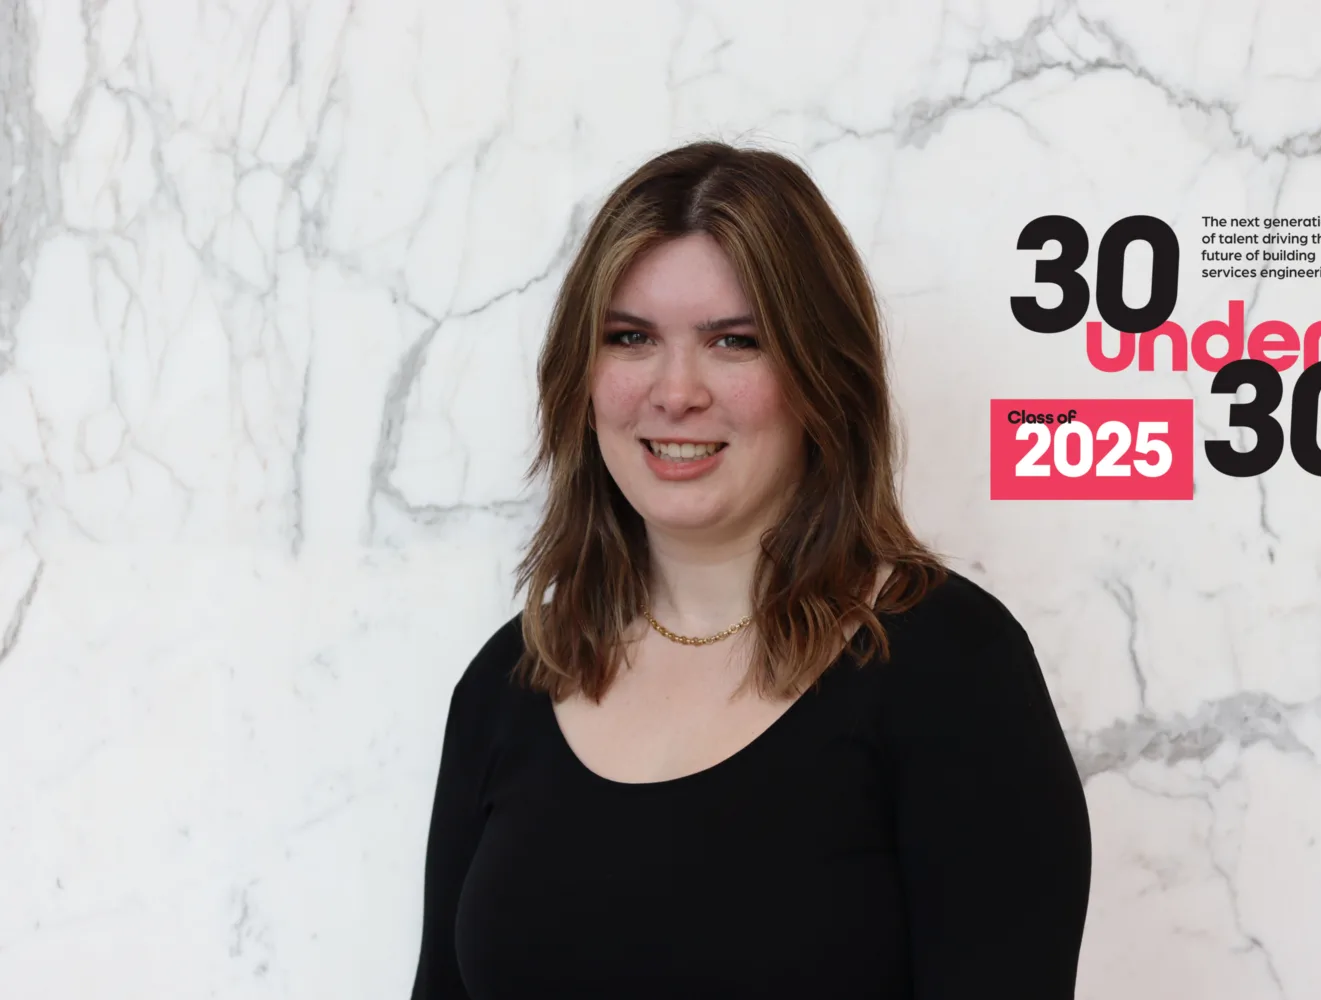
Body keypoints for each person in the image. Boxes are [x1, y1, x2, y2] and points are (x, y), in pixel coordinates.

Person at [408, 140, 1091, 999]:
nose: (676, 392)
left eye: (735, 341)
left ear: (821, 374)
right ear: (581, 378)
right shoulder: (511, 679)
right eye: (630, 338)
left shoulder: (954, 669)